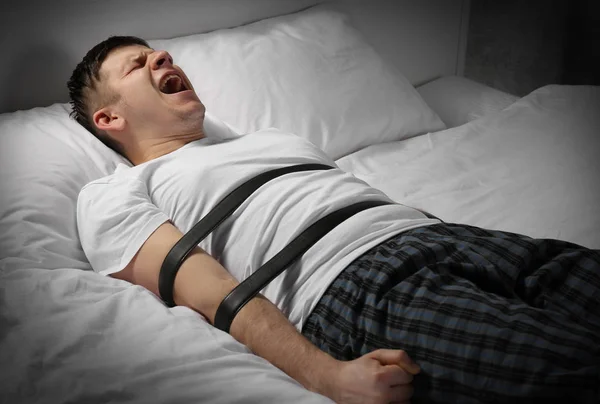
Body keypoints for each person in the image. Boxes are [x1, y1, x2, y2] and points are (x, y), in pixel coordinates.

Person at [68, 36, 600, 404]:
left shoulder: (271, 141)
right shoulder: (114, 193)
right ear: (110, 118)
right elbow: (208, 290)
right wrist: (324, 375)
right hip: (356, 284)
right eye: (138, 65)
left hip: (448, 237)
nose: (160, 56)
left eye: (157, 53)